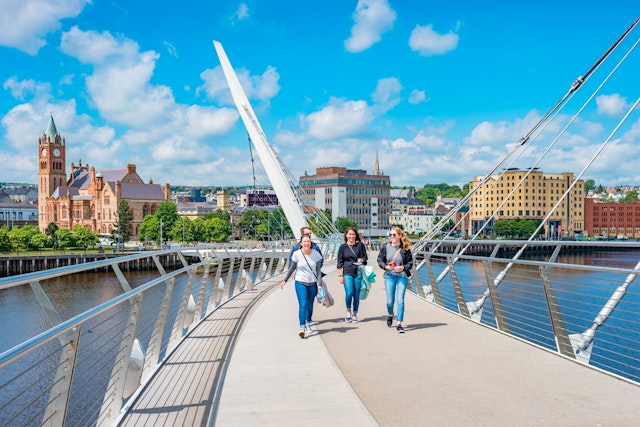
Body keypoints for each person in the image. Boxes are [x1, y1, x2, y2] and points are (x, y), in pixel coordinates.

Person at [281, 234, 324, 338]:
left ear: (311, 243)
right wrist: (284, 280)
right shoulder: (296, 254)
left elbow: (318, 271)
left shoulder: (316, 255)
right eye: (304, 241)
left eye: (308, 241)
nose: (306, 243)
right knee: (303, 304)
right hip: (300, 282)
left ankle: (308, 322)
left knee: (309, 305)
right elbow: (292, 268)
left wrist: (319, 285)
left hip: (312, 283)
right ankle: (302, 327)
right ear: (301, 243)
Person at [377, 226, 413, 333]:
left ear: (400, 236)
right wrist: (386, 266)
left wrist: (403, 267)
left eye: (394, 235)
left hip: (402, 276)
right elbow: (380, 260)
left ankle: (399, 323)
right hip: (389, 276)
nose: (392, 236)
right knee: (389, 301)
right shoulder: (386, 247)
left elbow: (410, 263)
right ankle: (390, 314)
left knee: (400, 300)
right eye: (390, 235)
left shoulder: (405, 249)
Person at [337, 227, 368, 323]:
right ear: (346, 235)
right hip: (347, 271)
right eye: (349, 234)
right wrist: (340, 276)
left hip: (358, 272)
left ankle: (355, 313)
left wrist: (361, 260)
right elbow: (339, 262)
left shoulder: (360, 245)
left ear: (356, 235)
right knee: (349, 293)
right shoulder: (343, 247)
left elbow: (365, 257)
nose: (351, 236)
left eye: (353, 234)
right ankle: (348, 311)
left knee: (356, 294)